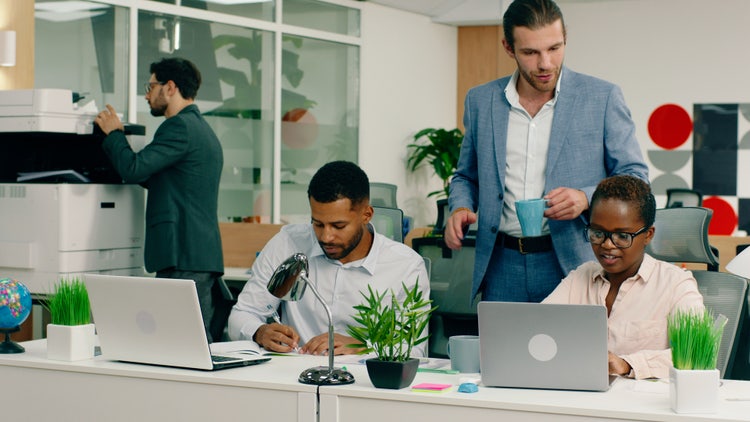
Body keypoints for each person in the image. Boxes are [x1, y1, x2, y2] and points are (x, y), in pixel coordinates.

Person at [445, 0, 649, 303]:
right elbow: (465, 175)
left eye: (554, 48)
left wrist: (585, 198)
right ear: (508, 47)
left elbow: (636, 179)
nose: (546, 64)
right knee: (501, 351)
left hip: (574, 261)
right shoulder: (480, 101)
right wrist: (460, 207)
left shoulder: (602, 97)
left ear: (565, 37)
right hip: (501, 264)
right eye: (530, 52)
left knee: (577, 351)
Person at [228, 161, 430, 356]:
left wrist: (362, 346)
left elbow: (414, 349)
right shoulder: (288, 242)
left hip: (366, 383)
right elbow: (242, 314)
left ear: (367, 215)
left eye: (338, 226)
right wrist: (259, 332)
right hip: (292, 377)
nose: (326, 237)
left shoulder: (406, 266)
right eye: (317, 224)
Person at [93, 57, 226, 342]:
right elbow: (154, 177)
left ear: (170, 87)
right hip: (195, 254)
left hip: (183, 253)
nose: (146, 94)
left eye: (150, 86)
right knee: (189, 342)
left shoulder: (178, 127)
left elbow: (134, 169)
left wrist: (115, 134)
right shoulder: (201, 129)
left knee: (179, 342)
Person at [543, 175, 704, 379]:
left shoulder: (676, 285)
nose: (607, 245)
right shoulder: (581, 277)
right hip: (582, 399)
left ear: (648, 235)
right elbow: (539, 327)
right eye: (598, 233)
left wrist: (628, 364)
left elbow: (697, 358)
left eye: (622, 236)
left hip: (642, 405)